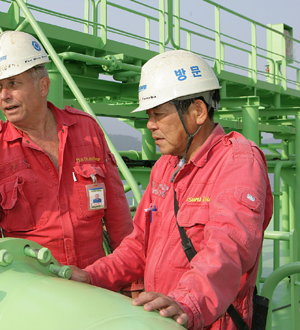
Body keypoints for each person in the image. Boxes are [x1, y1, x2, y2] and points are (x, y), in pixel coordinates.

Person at [69, 50, 273, 330]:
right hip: (163, 319)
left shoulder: (238, 161)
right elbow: (138, 246)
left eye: (158, 114)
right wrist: (92, 276)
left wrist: (187, 303)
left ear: (198, 111)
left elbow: (229, 247)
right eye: (149, 115)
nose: (150, 125)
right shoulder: (165, 167)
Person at [0, 30, 134, 270]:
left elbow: (118, 215)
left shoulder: (86, 130)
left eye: (13, 83)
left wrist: (129, 276)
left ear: (43, 86)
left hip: (94, 278)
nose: (4, 96)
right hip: (35, 286)